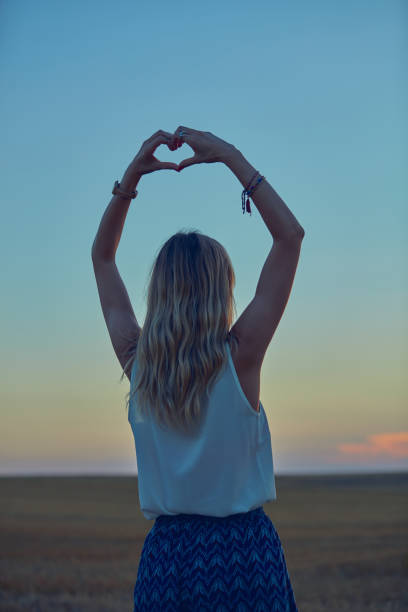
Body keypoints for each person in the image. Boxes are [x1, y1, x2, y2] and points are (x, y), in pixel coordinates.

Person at [91, 126, 305, 611]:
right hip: (245, 556)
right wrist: (231, 157)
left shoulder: (137, 360)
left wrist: (129, 181)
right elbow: (289, 238)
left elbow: (103, 259)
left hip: (168, 563)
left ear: (160, 291)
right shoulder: (242, 354)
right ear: (220, 289)